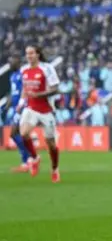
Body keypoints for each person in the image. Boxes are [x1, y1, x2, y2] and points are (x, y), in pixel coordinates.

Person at [17, 45, 62, 183]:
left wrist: (38, 94)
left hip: (46, 109)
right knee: (24, 133)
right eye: (27, 54)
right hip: (30, 107)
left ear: (37, 54)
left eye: (31, 53)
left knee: (51, 144)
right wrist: (20, 103)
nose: (29, 56)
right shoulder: (23, 69)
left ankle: (54, 169)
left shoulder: (47, 68)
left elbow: (55, 89)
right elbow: (25, 88)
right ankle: (35, 158)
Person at [6, 54, 30, 172]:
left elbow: (26, 90)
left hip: (23, 107)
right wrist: (8, 103)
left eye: (12, 62)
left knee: (14, 133)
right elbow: (13, 91)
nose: (10, 64)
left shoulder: (22, 75)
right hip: (16, 107)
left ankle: (27, 161)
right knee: (18, 134)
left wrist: (22, 104)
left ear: (18, 62)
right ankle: (28, 159)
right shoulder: (12, 76)